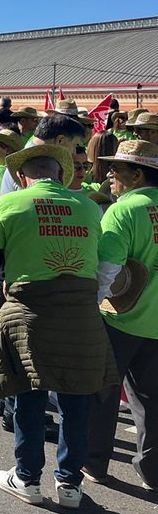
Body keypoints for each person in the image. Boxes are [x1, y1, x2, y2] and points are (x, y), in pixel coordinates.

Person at [0, 143, 115, 509]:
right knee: (77, 398)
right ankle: (70, 484)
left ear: (23, 176)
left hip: (31, 310)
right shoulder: (87, 206)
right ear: (59, 175)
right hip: (81, 313)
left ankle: (27, 477)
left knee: (28, 394)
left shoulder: (13, 202)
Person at [86, 139, 158, 490]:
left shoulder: (124, 210)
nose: (110, 173)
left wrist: (89, 311)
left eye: (117, 168)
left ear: (138, 174)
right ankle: (153, 472)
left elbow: (106, 269)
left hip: (120, 319)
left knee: (102, 393)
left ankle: (94, 463)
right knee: (152, 400)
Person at [0, 112, 86, 197]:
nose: (74, 152)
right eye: (75, 145)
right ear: (60, 140)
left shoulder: (29, 159)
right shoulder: (33, 164)